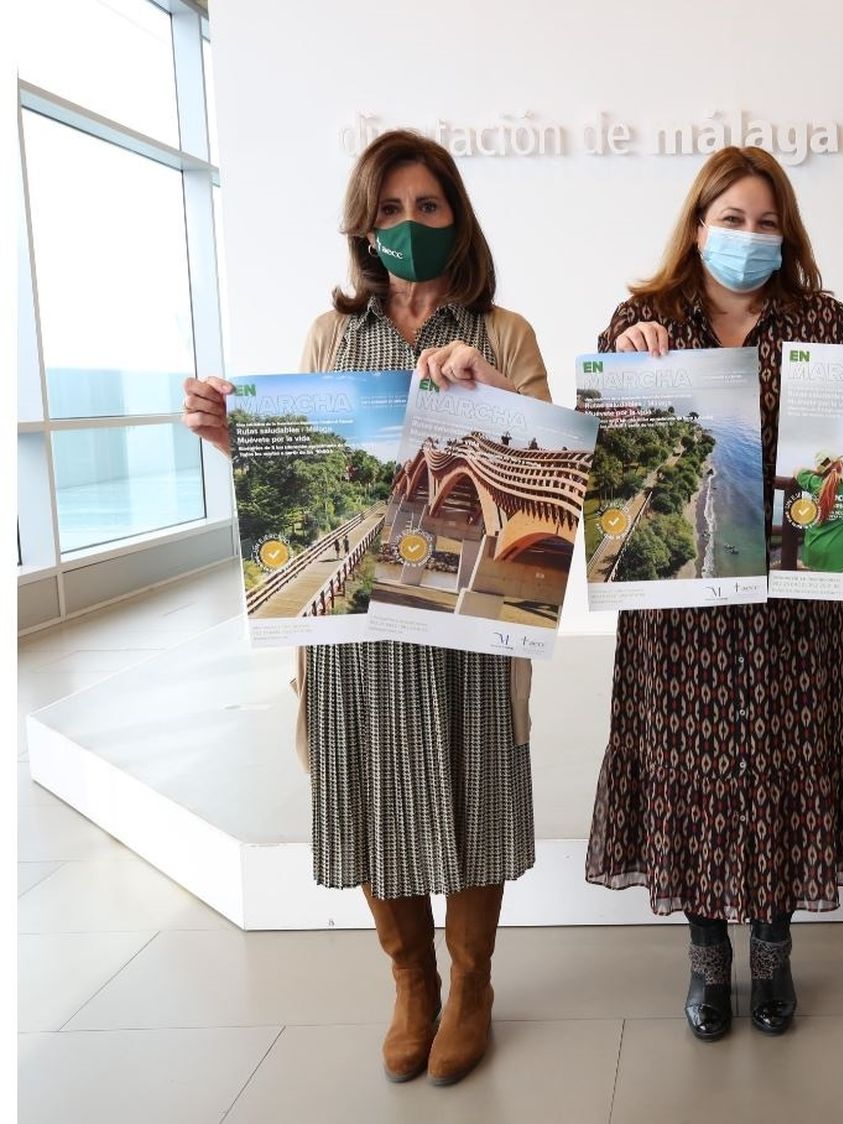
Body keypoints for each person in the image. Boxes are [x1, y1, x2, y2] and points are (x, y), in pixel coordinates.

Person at [182, 130, 550, 1085]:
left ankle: (472, 988)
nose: (409, 224)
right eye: (390, 210)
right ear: (363, 224)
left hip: (465, 612)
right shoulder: (330, 336)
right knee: (370, 790)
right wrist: (235, 438)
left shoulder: (504, 330)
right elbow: (311, 478)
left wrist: (493, 386)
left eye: (428, 207)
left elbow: (553, 476)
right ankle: (413, 985)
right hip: (357, 619)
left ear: (458, 218)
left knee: (475, 790)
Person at [584, 145, 843, 1041]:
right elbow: (604, 447)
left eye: (767, 223)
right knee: (691, 764)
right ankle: (704, 955)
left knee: (781, 759)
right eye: (732, 220)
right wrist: (625, 359)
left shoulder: (819, 318)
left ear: (786, 234)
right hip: (682, 605)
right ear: (697, 226)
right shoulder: (641, 321)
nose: (749, 238)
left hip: (796, 602)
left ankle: (772, 948)